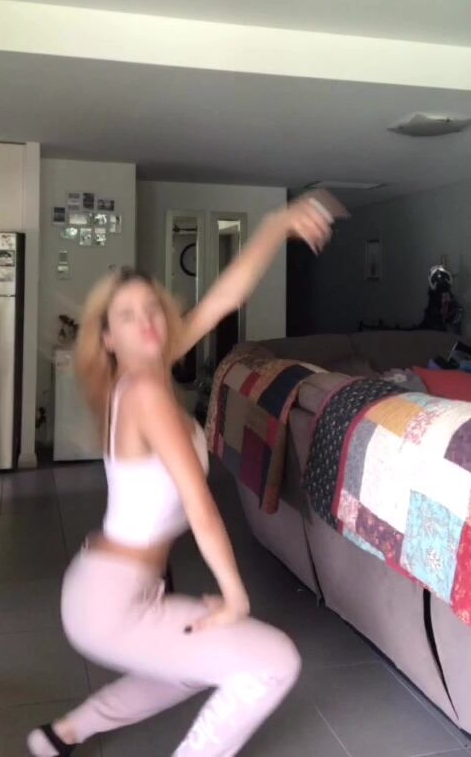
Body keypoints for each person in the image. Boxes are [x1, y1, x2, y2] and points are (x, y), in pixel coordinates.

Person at [27, 195, 333, 757]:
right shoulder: (143, 388)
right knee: (274, 661)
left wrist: (274, 224)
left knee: (189, 666)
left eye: (152, 308)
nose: (146, 320)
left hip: (113, 589)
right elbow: (199, 503)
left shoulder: (144, 370)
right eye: (127, 315)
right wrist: (236, 596)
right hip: (110, 600)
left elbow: (223, 299)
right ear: (108, 339)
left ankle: (62, 735)